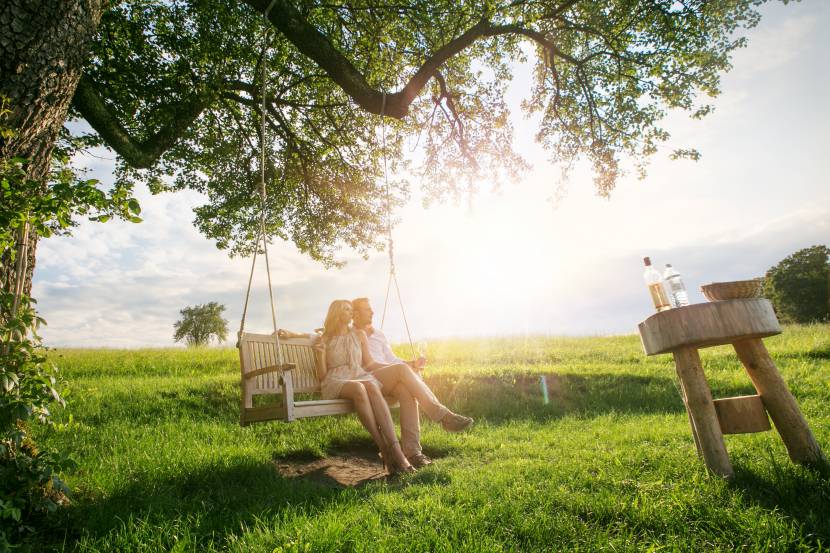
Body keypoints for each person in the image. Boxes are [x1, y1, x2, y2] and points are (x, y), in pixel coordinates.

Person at [350, 297, 473, 467]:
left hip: (387, 378)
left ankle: (413, 453)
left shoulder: (379, 335)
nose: (372, 312)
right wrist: (400, 368)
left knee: (406, 393)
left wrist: (410, 364)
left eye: (371, 309)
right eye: (367, 309)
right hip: (367, 380)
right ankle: (444, 416)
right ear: (355, 314)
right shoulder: (351, 334)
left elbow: (392, 359)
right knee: (401, 370)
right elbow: (367, 364)